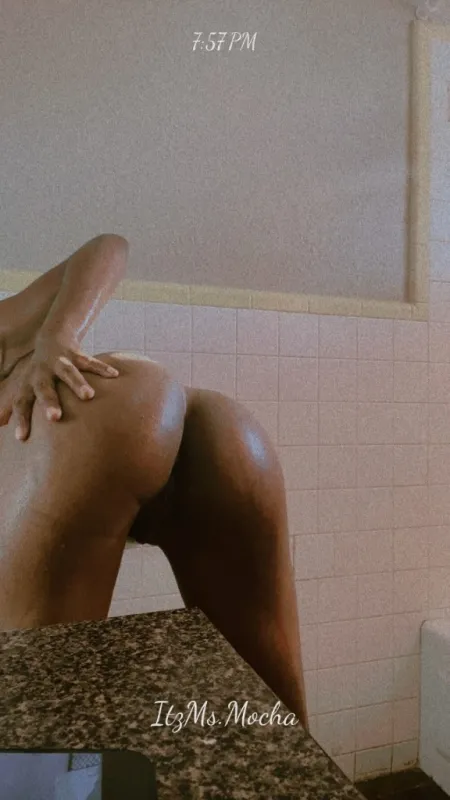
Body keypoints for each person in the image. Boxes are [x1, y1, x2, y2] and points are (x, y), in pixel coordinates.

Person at [0, 234, 308, 728]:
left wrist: (57, 338)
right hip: (192, 419)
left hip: (91, 422)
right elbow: (107, 246)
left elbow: (109, 247)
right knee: (275, 717)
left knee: (31, 728)